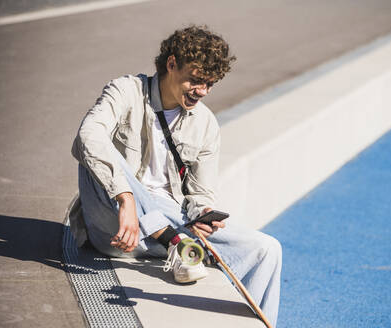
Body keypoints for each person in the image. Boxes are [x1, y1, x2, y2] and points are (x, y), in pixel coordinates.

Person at [69, 25, 281, 325]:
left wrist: (204, 212)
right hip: (117, 224)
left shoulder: (205, 123)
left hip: (173, 227)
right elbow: (87, 136)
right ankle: (176, 242)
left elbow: (200, 194)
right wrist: (125, 195)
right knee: (99, 149)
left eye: (210, 84)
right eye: (195, 80)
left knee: (266, 249)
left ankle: (183, 247)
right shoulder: (126, 90)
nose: (203, 92)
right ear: (171, 64)